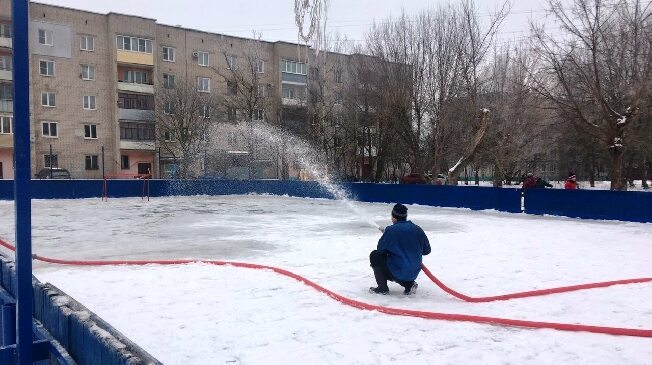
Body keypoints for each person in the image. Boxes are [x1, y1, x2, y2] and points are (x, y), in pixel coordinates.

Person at [369, 204, 431, 295]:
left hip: (399, 271)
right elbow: (427, 251)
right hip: (413, 272)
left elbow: (380, 250)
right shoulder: (417, 229)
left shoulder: (391, 230)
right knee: (401, 265)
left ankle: (382, 288)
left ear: (394, 218)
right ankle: (409, 284)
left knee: (375, 255)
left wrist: (387, 235)